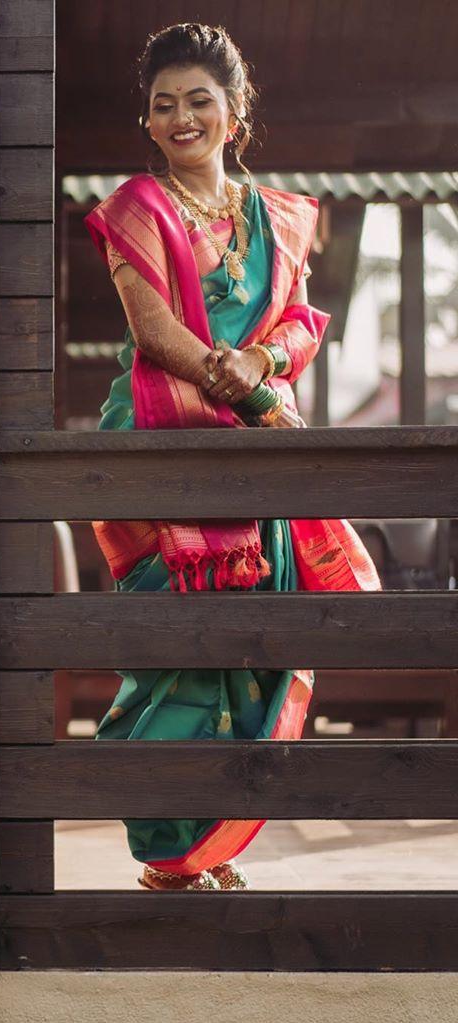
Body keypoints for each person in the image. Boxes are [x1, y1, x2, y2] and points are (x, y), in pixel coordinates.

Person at [83, 23, 379, 893]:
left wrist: (266, 364)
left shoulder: (277, 219)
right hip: (160, 449)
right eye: (164, 104)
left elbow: (296, 322)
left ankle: (210, 846)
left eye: (199, 101)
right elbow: (157, 333)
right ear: (148, 120)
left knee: (253, 646)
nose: (181, 117)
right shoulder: (140, 206)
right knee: (175, 650)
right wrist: (249, 391)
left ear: (234, 111)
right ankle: (167, 851)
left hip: (258, 456)